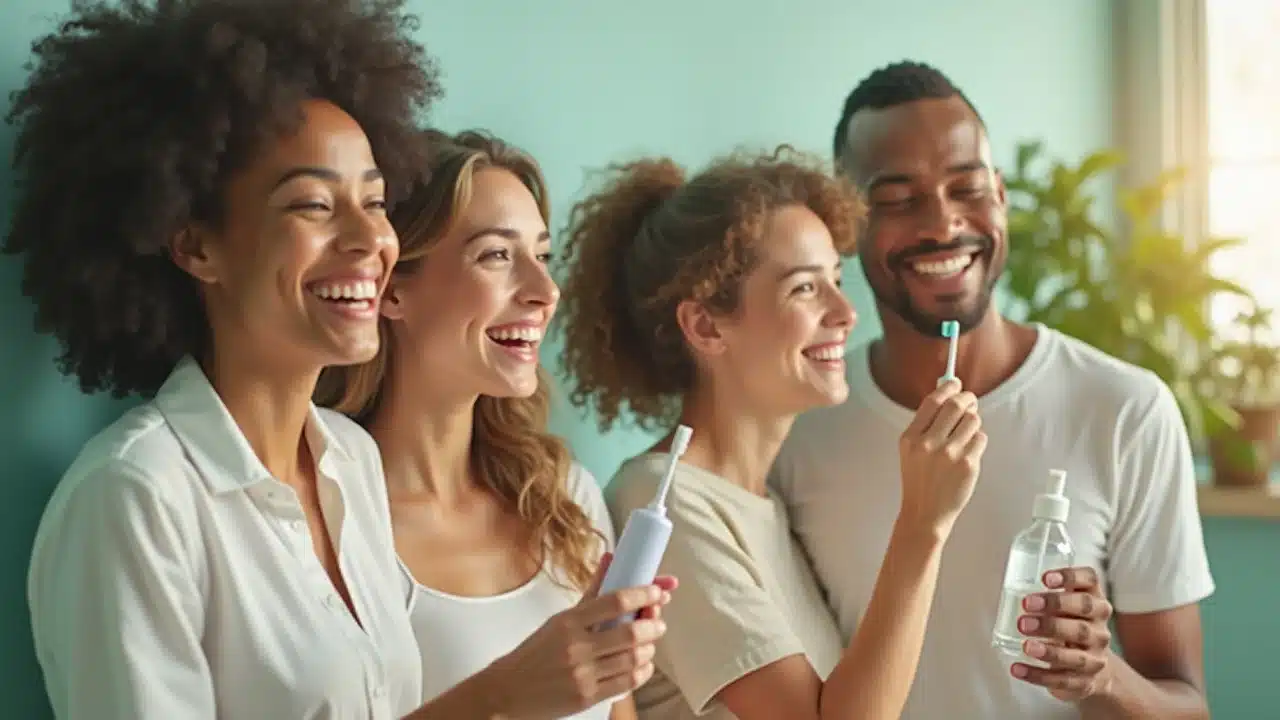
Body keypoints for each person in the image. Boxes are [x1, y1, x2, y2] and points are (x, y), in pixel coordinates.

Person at [7, 2, 665, 718]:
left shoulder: (349, 464)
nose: (368, 239)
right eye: (313, 206)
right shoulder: (136, 498)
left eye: (375, 202)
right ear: (197, 246)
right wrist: (502, 696)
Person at [770, 60, 1215, 719]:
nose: (943, 224)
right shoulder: (802, 428)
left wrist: (1102, 677)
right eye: (896, 200)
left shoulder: (1125, 410)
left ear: (1001, 197)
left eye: (967, 188)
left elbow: (1189, 707)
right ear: (848, 226)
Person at [555, 147, 991, 720]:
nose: (844, 312)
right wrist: (923, 523)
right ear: (706, 325)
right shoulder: (666, 503)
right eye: (805, 289)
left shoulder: (763, 503)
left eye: (835, 280)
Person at [317, 129, 676, 720]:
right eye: (496, 255)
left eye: (542, 256)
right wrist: (509, 696)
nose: (545, 291)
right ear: (392, 287)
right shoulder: (328, 521)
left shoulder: (564, 498)